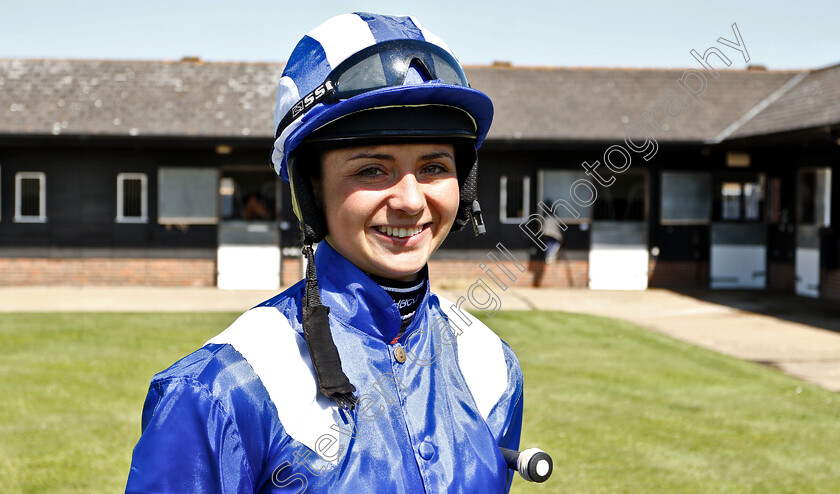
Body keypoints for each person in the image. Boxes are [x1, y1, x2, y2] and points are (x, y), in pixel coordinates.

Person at [126, 12, 523, 493]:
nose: (411, 200)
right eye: (373, 170)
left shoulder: (492, 366)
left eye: (434, 166)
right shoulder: (220, 391)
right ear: (310, 191)